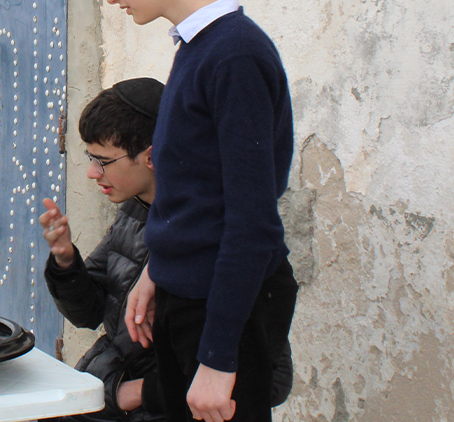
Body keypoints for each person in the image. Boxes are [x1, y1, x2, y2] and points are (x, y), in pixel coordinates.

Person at [81, 0, 297, 422]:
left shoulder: (234, 54)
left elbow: (252, 222)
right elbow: (197, 196)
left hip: (225, 314)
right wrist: (158, 273)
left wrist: (220, 360)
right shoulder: (196, 47)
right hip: (186, 297)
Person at [40, 79, 293, 422]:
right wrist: (66, 261)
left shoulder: (223, 240)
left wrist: (133, 393)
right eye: (89, 157)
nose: (90, 173)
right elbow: (90, 312)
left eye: (103, 160)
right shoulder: (133, 212)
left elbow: (268, 379)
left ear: (152, 156)